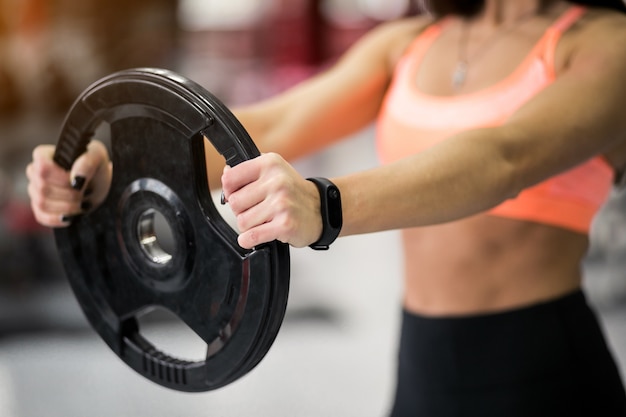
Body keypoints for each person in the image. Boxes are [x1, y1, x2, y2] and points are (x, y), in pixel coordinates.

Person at [26, 0, 626, 415]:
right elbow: (272, 124)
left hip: (544, 371)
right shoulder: (411, 43)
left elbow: (504, 157)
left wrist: (324, 205)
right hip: (421, 365)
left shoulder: (603, 42)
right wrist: (109, 168)